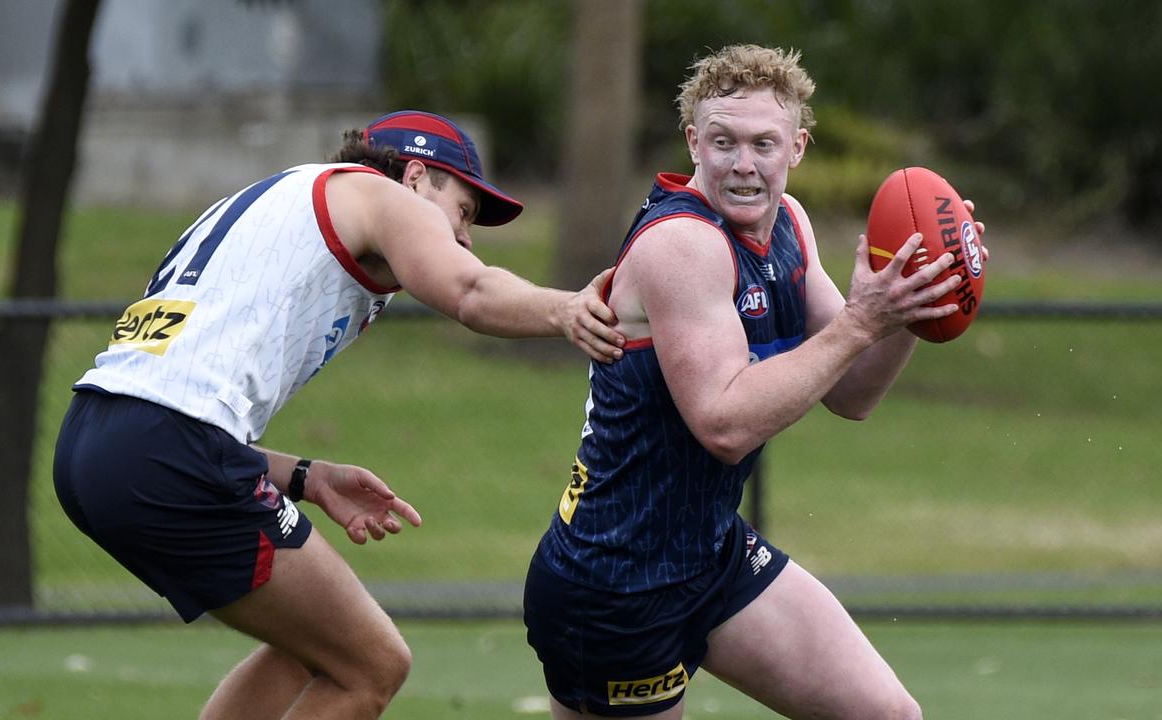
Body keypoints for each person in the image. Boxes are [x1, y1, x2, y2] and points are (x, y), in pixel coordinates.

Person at [52, 109, 625, 720]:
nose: (465, 238)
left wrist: (308, 477)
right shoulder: (378, 196)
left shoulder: (277, 204)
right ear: (413, 176)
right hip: (165, 448)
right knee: (374, 664)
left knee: (315, 647)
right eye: (462, 211)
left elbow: (171, 405)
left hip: (92, 442)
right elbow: (470, 291)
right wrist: (568, 311)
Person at [524, 44, 986, 719]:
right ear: (693, 142)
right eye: (723, 142)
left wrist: (913, 304)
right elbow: (725, 424)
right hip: (619, 581)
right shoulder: (683, 246)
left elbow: (852, 394)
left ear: (796, 147)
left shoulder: (790, 224)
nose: (743, 164)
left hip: (711, 553)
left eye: (764, 143)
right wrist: (864, 320)